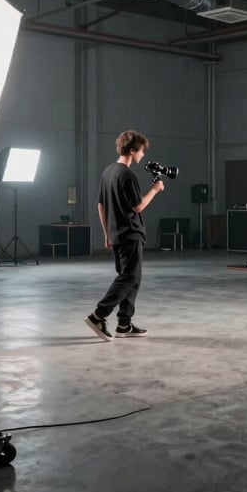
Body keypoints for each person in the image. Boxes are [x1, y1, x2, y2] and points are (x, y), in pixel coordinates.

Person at [85, 130, 164, 341]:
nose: (143, 155)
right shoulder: (126, 174)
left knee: (132, 279)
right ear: (132, 150)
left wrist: (106, 233)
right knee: (129, 277)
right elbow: (138, 206)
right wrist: (155, 189)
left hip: (116, 234)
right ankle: (98, 316)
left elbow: (100, 205)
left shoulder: (108, 171)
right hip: (130, 234)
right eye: (142, 151)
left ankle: (124, 324)